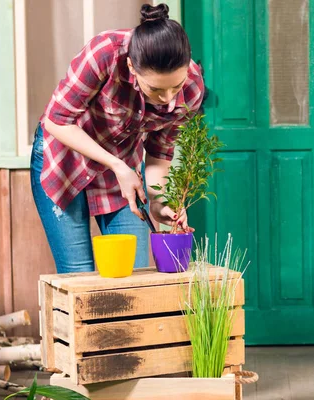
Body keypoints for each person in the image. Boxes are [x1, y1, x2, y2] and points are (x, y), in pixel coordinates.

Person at [30, 3, 202, 274]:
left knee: (129, 277)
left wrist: (158, 201)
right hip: (64, 156)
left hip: (121, 170)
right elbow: (56, 120)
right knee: (80, 277)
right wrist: (118, 166)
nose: (169, 101)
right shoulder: (105, 53)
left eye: (175, 87)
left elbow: (159, 153)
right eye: (156, 89)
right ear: (132, 68)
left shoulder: (191, 89)